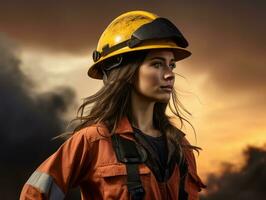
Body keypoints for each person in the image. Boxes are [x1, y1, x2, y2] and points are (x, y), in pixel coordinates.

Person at [20, 10, 207, 200]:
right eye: (157, 64)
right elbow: (34, 193)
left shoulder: (180, 147)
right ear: (126, 71)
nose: (169, 74)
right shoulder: (94, 141)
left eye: (171, 65)